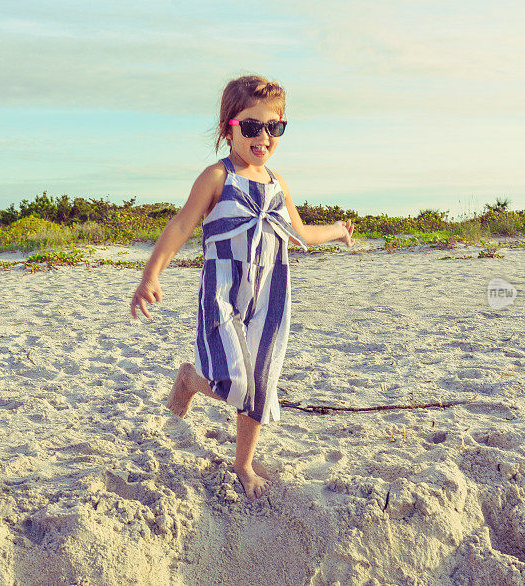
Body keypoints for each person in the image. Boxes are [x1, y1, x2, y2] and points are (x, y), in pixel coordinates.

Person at [130, 75, 354, 500]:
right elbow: (180, 225)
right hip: (224, 294)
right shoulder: (217, 177)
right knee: (237, 380)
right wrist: (150, 274)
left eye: (275, 127)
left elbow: (300, 233)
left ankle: (243, 462)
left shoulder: (278, 183)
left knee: (261, 381)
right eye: (251, 126)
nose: (263, 137)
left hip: (270, 296)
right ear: (228, 127)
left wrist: (339, 231)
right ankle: (191, 380)